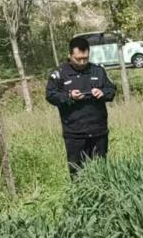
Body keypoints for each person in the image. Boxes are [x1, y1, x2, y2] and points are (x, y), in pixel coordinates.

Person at [46, 35, 115, 176]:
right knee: (77, 173)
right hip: (74, 134)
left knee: (101, 171)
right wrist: (69, 96)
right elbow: (51, 95)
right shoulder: (59, 74)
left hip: (98, 132)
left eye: (85, 58)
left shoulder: (98, 71)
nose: (82, 62)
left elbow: (111, 90)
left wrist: (102, 92)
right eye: (78, 59)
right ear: (70, 55)